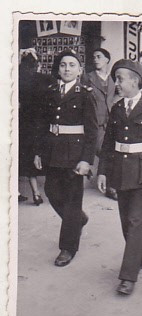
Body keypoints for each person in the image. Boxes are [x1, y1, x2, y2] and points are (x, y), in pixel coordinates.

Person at [97, 59, 142, 295]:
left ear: (135, 81)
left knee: (137, 222)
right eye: (116, 78)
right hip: (120, 172)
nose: (116, 83)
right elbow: (108, 144)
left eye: (120, 78)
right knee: (127, 223)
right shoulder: (117, 109)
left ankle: (128, 277)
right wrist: (103, 172)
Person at [34, 49, 98, 267]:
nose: (67, 69)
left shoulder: (85, 93)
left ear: (79, 70)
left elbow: (91, 130)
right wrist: (38, 152)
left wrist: (86, 160)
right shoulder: (50, 91)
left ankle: (68, 247)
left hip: (74, 154)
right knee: (51, 191)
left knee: (72, 200)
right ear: (58, 68)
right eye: (63, 65)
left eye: (72, 65)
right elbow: (43, 125)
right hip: (52, 151)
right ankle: (78, 220)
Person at [19, 51, 53, 205]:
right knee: (45, 155)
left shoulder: (20, 79)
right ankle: (50, 190)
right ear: (38, 64)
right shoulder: (46, 79)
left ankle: (36, 193)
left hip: (25, 123)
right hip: (43, 121)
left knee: (28, 158)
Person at [83, 48, 117, 200]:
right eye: (94, 57)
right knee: (105, 153)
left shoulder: (113, 79)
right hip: (95, 123)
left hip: (110, 123)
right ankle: (110, 186)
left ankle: (111, 184)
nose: (95, 59)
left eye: (99, 57)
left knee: (111, 152)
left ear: (107, 60)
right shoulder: (87, 78)